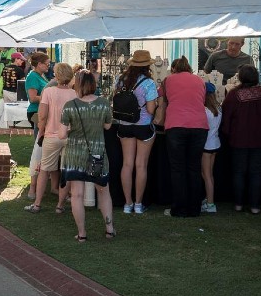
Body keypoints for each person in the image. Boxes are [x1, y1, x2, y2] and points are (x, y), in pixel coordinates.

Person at [60, 70, 115, 242]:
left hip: (75, 155)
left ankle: (82, 233)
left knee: (77, 194)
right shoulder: (104, 103)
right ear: (93, 84)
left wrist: (72, 129)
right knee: (103, 191)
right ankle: (109, 229)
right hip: (97, 153)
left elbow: (62, 134)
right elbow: (107, 126)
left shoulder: (70, 105)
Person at [157, 56, 209, 218]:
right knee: (194, 168)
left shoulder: (167, 80)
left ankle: (179, 209)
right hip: (199, 125)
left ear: (173, 69)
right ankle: (195, 209)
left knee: (178, 169)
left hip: (176, 125)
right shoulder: (199, 81)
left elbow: (161, 101)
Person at [26, 63, 77, 213]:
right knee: (66, 171)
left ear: (57, 75)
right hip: (68, 135)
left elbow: (42, 116)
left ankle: (37, 204)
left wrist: (41, 132)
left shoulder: (48, 91)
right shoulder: (74, 94)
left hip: (51, 135)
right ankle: (60, 205)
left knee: (44, 171)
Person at [221, 65, 261, 214]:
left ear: (240, 77)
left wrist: (227, 133)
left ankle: (238, 204)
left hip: (239, 139)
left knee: (239, 172)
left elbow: (226, 116)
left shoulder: (234, 94)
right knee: (256, 172)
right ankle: (255, 206)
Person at [114, 50, 159, 215]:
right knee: (141, 165)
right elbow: (150, 108)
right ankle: (138, 204)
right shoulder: (149, 83)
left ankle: (127, 203)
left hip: (124, 124)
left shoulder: (120, 80)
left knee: (127, 164)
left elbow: (115, 100)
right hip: (143, 125)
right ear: (147, 66)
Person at [200, 83, 223, 214]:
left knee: (206, 175)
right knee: (209, 174)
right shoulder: (218, 108)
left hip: (206, 145)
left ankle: (210, 204)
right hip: (215, 143)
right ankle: (209, 198)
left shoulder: (204, 110)